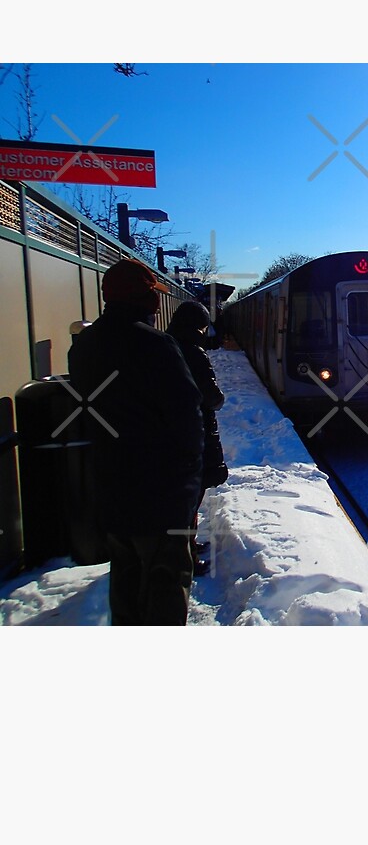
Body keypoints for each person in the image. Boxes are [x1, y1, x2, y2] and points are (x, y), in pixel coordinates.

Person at [68, 259, 204, 625]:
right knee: (166, 581)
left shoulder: (84, 346)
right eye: (153, 296)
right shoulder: (157, 345)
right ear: (144, 299)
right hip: (160, 492)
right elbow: (187, 418)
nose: (159, 304)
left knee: (125, 577)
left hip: (111, 486)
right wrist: (190, 479)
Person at [166, 300, 229, 575]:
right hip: (195, 432)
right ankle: (186, 555)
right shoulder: (193, 353)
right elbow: (213, 398)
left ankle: (186, 546)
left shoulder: (164, 347)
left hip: (169, 434)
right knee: (191, 495)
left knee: (183, 496)